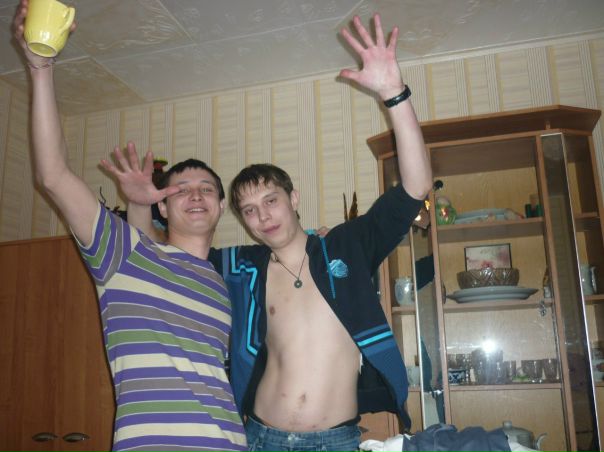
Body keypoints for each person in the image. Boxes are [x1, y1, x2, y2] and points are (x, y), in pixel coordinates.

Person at [113, 13, 432, 452]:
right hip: (259, 435)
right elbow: (151, 254)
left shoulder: (346, 246)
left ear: (293, 198)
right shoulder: (241, 266)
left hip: (336, 440)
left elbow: (415, 187)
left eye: (270, 200)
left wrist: (394, 94)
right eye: (249, 210)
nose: (262, 216)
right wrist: (139, 204)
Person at [12, 2, 247, 451]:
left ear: (220, 208)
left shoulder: (220, 284)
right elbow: (53, 175)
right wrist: (41, 70)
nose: (196, 195)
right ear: (163, 207)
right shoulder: (124, 254)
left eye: (207, 189)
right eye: (181, 189)